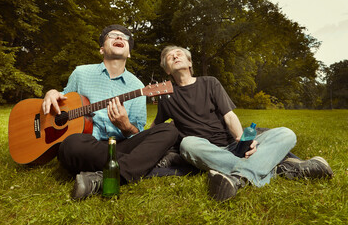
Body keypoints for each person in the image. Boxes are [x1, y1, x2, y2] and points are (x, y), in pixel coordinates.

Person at [152, 45, 333, 201]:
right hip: (207, 151)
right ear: (167, 70)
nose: (175, 56)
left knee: (286, 133)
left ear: (190, 63)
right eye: (169, 56)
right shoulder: (166, 97)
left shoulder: (209, 83)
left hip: (233, 145)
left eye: (179, 53)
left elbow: (229, 116)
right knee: (187, 144)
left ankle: (238, 178)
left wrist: (242, 140)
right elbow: (155, 129)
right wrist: (133, 138)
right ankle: (273, 169)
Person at [42, 25, 179, 200]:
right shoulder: (81, 73)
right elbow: (62, 103)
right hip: (87, 144)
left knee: (169, 130)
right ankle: (145, 164)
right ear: (101, 49)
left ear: (129, 53)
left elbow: (137, 132)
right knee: (71, 145)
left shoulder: (138, 86)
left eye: (124, 37)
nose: (120, 38)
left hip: (119, 145)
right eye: (112, 36)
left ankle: (103, 177)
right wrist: (51, 93)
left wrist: (126, 126)